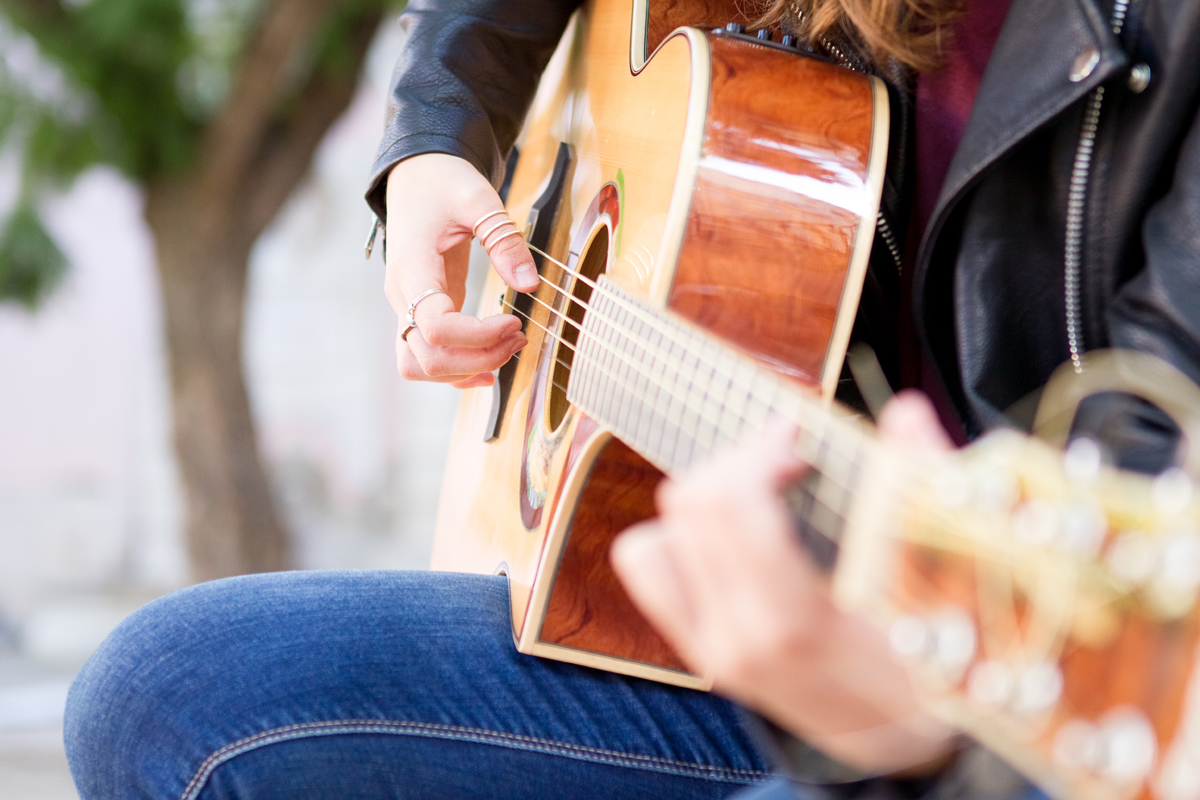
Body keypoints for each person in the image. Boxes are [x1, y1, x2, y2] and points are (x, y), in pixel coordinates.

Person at [62, 0, 1200, 797]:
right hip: (737, 637)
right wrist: (434, 136)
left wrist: (908, 734)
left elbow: (1155, 487)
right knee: (162, 694)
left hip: (1031, 690)